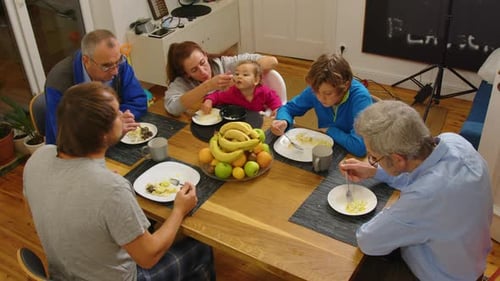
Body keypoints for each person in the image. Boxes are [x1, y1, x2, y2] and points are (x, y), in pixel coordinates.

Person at [23, 82, 215, 281]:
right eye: (116, 113)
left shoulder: (38, 157)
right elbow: (148, 257)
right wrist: (179, 210)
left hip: (62, 274)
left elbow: (35, 213)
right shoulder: (110, 189)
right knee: (199, 247)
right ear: (102, 134)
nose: (122, 115)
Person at [339, 100, 492, 281]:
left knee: (347, 264)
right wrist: (375, 171)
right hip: (469, 262)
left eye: (374, 157)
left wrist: (391, 216)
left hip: (440, 275)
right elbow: (419, 174)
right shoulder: (454, 141)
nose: (373, 160)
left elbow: (368, 241)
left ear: (398, 159)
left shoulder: (428, 195)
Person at [44, 29, 147, 145]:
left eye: (118, 61)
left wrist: (120, 121)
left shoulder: (119, 65)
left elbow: (139, 101)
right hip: (76, 152)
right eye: (106, 66)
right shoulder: (59, 82)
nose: (115, 72)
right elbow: (65, 136)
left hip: (114, 139)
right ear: (86, 61)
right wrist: (111, 124)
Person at [270, 53, 372, 157]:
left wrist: (330, 130)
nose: (320, 98)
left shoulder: (361, 99)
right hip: (327, 149)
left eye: (328, 93)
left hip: (350, 155)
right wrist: (283, 121)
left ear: (346, 86)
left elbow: (360, 147)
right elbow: (288, 108)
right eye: (316, 92)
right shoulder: (318, 87)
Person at [164, 41, 278, 116]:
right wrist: (208, 86)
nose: (203, 71)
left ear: (205, 55)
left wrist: (238, 78)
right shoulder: (182, 82)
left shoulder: (226, 64)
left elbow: (271, 61)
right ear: (186, 74)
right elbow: (172, 108)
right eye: (194, 70)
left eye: (202, 63)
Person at [201, 59, 282, 116]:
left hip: (259, 120)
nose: (239, 77)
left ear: (256, 80)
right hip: (240, 122)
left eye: (245, 75)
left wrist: (277, 109)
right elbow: (217, 95)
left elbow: (274, 99)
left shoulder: (263, 91)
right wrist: (209, 101)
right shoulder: (231, 92)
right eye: (236, 74)